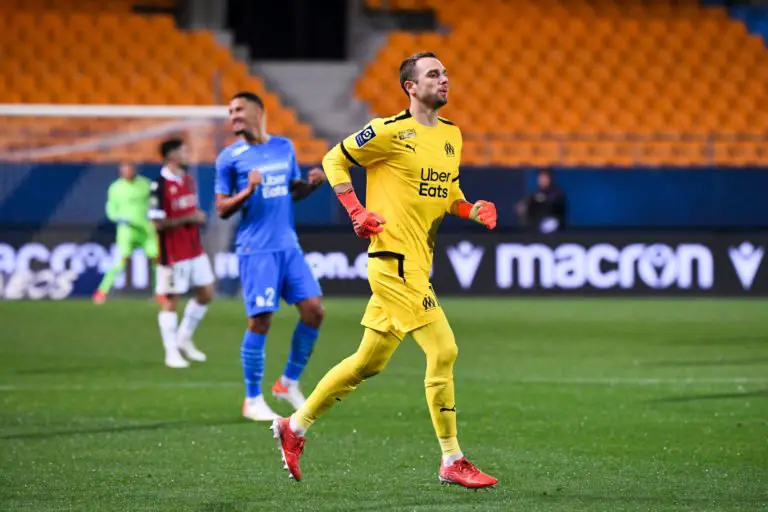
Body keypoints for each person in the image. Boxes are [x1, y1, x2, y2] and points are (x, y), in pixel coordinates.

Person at [271, 52, 499, 489]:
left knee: (366, 363)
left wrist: (470, 208)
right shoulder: (389, 131)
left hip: (417, 264)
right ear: (411, 87)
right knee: (443, 350)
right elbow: (333, 159)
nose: (444, 79)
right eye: (433, 74)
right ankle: (452, 458)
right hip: (393, 263)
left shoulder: (451, 135)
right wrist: (356, 210)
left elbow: (446, 193)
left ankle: (294, 426)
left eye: (445, 73)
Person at [215, 92, 327, 421]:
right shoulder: (229, 158)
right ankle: (252, 399)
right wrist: (247, 191)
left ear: (258, 111)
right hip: (257, 249)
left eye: (239, 109)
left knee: (314, 311)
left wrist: (312, 185)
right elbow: (221, 208)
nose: (234, 115)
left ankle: (288, 383)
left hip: (288, 245)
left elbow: (291, 191)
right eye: (230, 111)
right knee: (261, 320)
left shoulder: (283, 146)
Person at [149, 138, 213, 369]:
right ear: (172, 156)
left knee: (206, 293)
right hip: (173, 253)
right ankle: (171, 353)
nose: (188, 155)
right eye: (184, 152)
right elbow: (157, 223)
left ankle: (183, 338)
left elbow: (189, 210)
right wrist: (188, 218)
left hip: (194, 249)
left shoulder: (188, 180)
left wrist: (197, 216)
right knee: (170, 301)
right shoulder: (159, 186)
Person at [93, 162, 159, 305]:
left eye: (129, 170)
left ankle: (160, 293)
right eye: (124, 170)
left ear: (134, 170)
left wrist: (154, 216)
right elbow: (111, 208)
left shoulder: (146, 184)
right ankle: (102, 291)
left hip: (146, 230)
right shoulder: (116, 188)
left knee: (157, 260)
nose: (127, 173)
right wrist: (118, 218)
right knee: (120, 261)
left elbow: (155, 202)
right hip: (127, 231)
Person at [515, 168, 566, 233]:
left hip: (552, 221)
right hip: (537, 222)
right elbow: (526, 202)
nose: (542, 180)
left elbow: (553, 205)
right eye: (541, 178)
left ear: (550, 179)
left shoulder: (556, 193)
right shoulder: (535, 193)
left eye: (545, 178)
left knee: (550, 223)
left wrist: (541, 199)